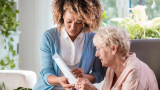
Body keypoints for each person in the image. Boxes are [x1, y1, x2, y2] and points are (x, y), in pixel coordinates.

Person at [33, 0, 104, 90]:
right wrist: (60, 80)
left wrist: (83, 76)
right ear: (63, 16)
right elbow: (46, 72)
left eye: (78, 22)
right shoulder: (49, 37)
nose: (73, 27)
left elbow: (99, 73)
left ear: (85, 20)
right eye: (68, 21)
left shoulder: (93, 39)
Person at [76, 26, 159, 90]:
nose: (96, 54)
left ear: (113, 49)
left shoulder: (135, 70)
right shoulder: (111, 70)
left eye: (99, 48)